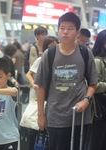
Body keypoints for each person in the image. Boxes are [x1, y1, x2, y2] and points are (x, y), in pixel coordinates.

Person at [34, 12, 97, 150]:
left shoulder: (85, 53)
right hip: (56, 117)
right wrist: (41, 115)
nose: (65, 32)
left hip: (80, 117)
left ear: (77, 32)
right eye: (62, 28)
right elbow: (41, 86)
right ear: (58, 30)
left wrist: (86, 100)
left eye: (70, 28)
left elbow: (93, 83)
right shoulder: (49, 54)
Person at [85, 30, 106, 150]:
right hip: (99, 108)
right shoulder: (98, 61)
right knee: (98, 140)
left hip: (102, 109)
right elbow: (94, 85)